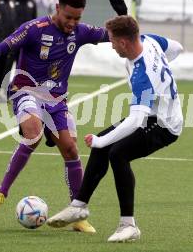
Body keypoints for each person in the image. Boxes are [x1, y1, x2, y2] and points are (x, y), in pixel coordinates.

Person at [0, 0, 127, 234]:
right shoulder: (34, 29)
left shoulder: (81, 32)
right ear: (57, 8)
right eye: (68, 16)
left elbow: (118, 35)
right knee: (33, 132)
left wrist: (123, 15)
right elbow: (5, 45)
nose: (72, 23)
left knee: (71, 149)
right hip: (25, 91)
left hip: (56, 100)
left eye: (77, 18)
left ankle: (78, 214)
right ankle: (0, 193)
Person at [47, 15, 184, 242]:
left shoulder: (143, 75)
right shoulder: (147, 40)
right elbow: (177, 48)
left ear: (123, 43)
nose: (110, 45)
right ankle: (79, 206)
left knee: (117, 153)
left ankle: (128, 225)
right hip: (152, 115)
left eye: (112, 41)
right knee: (105, 141)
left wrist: (102, 142)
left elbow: (136, 120)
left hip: (164, 125)